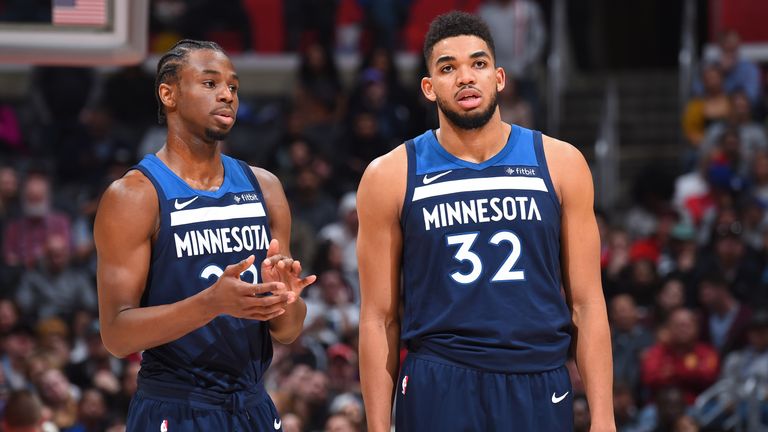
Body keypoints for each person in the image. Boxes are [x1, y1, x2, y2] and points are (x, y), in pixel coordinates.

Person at [357, 12, 615, 432]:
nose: (464, 77)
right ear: (428, 87)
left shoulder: (561, 162)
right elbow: (378, 317)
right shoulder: (389, 175)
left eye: (477, 64)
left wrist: (603, 418)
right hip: (439, 379)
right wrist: (377, 426)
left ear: (499, 77)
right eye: (447, 68)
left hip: (538, 376)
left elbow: (587, 304)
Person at [94, 40, 316, 431]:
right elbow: (116, 334)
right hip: (175, 405)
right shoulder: (134, 196)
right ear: (169, 94)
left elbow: (288, 330)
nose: (227, 95)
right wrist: (211, 303)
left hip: (252, 403)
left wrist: (285, 300)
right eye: (210, 83)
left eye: (233, 86)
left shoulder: (265, 187)